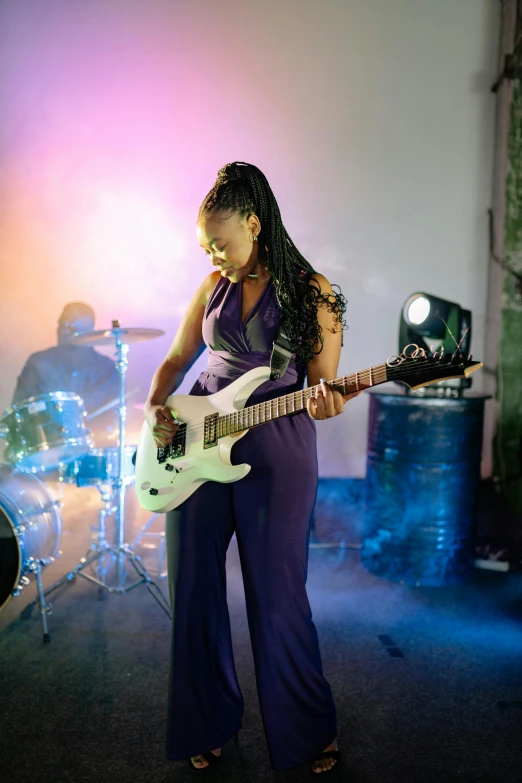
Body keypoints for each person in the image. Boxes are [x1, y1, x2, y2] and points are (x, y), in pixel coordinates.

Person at [144, 162, 358, 776]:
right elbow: (180, 357)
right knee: (194, 592)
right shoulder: (212, 285)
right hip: (195, 445)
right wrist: (159, 408)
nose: (214, 255)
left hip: (275, 450)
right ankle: (205, 722)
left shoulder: (310, 291)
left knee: (278, 598)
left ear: (254, 224)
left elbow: (323, 388)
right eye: (206, 245)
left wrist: (329, 399)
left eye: (222, 243)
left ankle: (308, 731)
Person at [13, 302, 120, 439]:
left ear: (89, 330)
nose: (63, 330)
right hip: (45, 447)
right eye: (61, 324)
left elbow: (111, 419)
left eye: (72, 326)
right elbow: (18, 410)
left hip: (92, 449)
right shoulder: (38, 362)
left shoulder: (107, 369)